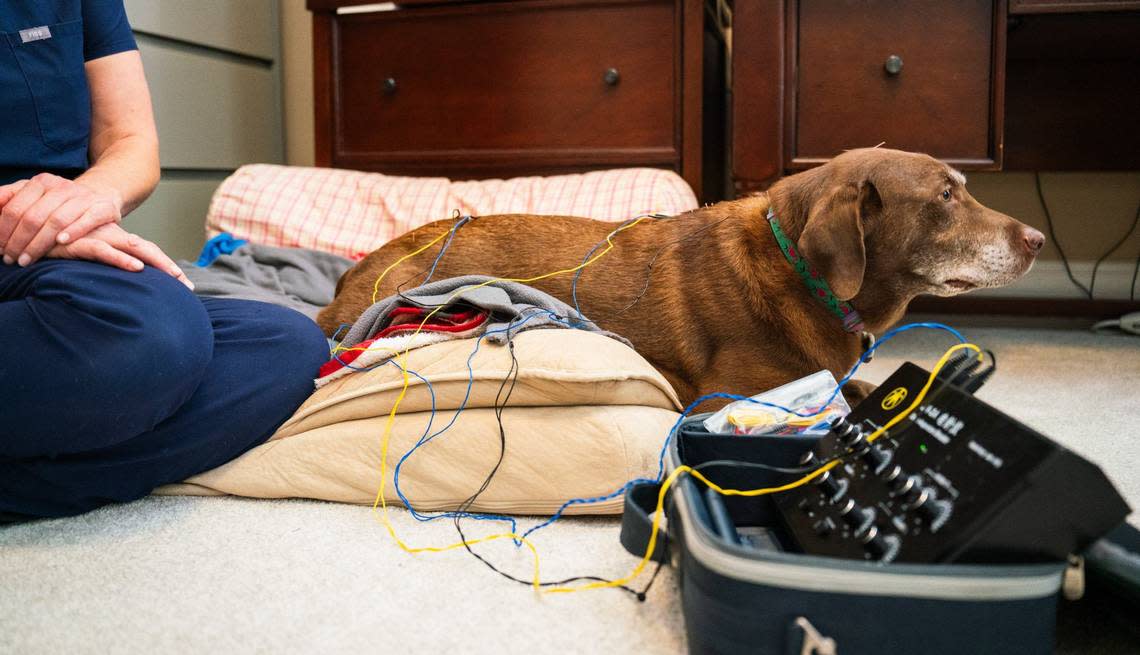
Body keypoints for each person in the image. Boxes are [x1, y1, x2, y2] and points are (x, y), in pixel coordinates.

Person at [0, 1, 328, 522]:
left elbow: (129, 140)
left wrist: (84, 203)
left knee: (288, 346)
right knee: (151, 332)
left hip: (45, 254)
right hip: (21, 238)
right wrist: (18, 216)